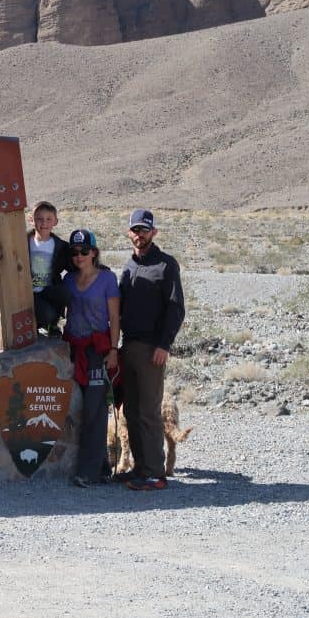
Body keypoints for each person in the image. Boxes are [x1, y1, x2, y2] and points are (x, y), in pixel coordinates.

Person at [116, 209, 186, 491]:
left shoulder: (166, 265)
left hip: (151, 349)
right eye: (135, 230)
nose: (139, 235)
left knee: (148, 411)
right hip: (128, 345)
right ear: (129, 232)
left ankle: (155, 474)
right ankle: (139, 468)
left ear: (153, 233)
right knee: (130, 411)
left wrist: (164, 345)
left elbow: (176, 308)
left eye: (144, 230)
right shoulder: (129, 267)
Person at [62, 229, 120, 488]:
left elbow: (115, 318)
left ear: (94, 252)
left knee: (95, 411)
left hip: (98, 350)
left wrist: (114, 350)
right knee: (82, 408)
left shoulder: (107, 279)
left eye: (84, 251)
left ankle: (88, 472)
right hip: (74, 349)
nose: (79, 256)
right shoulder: (67, 281)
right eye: (74, 252)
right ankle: (104, 467)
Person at [27, 201, 71, 337]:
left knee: (66, 293)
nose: (44, 223)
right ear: (31, 220)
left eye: (48, 219)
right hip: (30, 292)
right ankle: (39, 324)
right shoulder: (23, 242)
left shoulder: (61, 246)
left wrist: (97, 267)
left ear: (55, 222)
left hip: (48, 289)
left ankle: (53, 324)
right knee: (46, 314)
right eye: (39, 219)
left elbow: (74, 265)